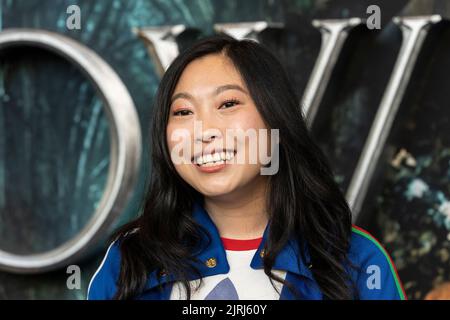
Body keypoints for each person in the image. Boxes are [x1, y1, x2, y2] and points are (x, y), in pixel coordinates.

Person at [87, 33, 406, 300]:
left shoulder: (357, 261)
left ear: (275, 123)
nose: (203, 131)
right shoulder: (130, 259)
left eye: (228, 104)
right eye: (183, 112)